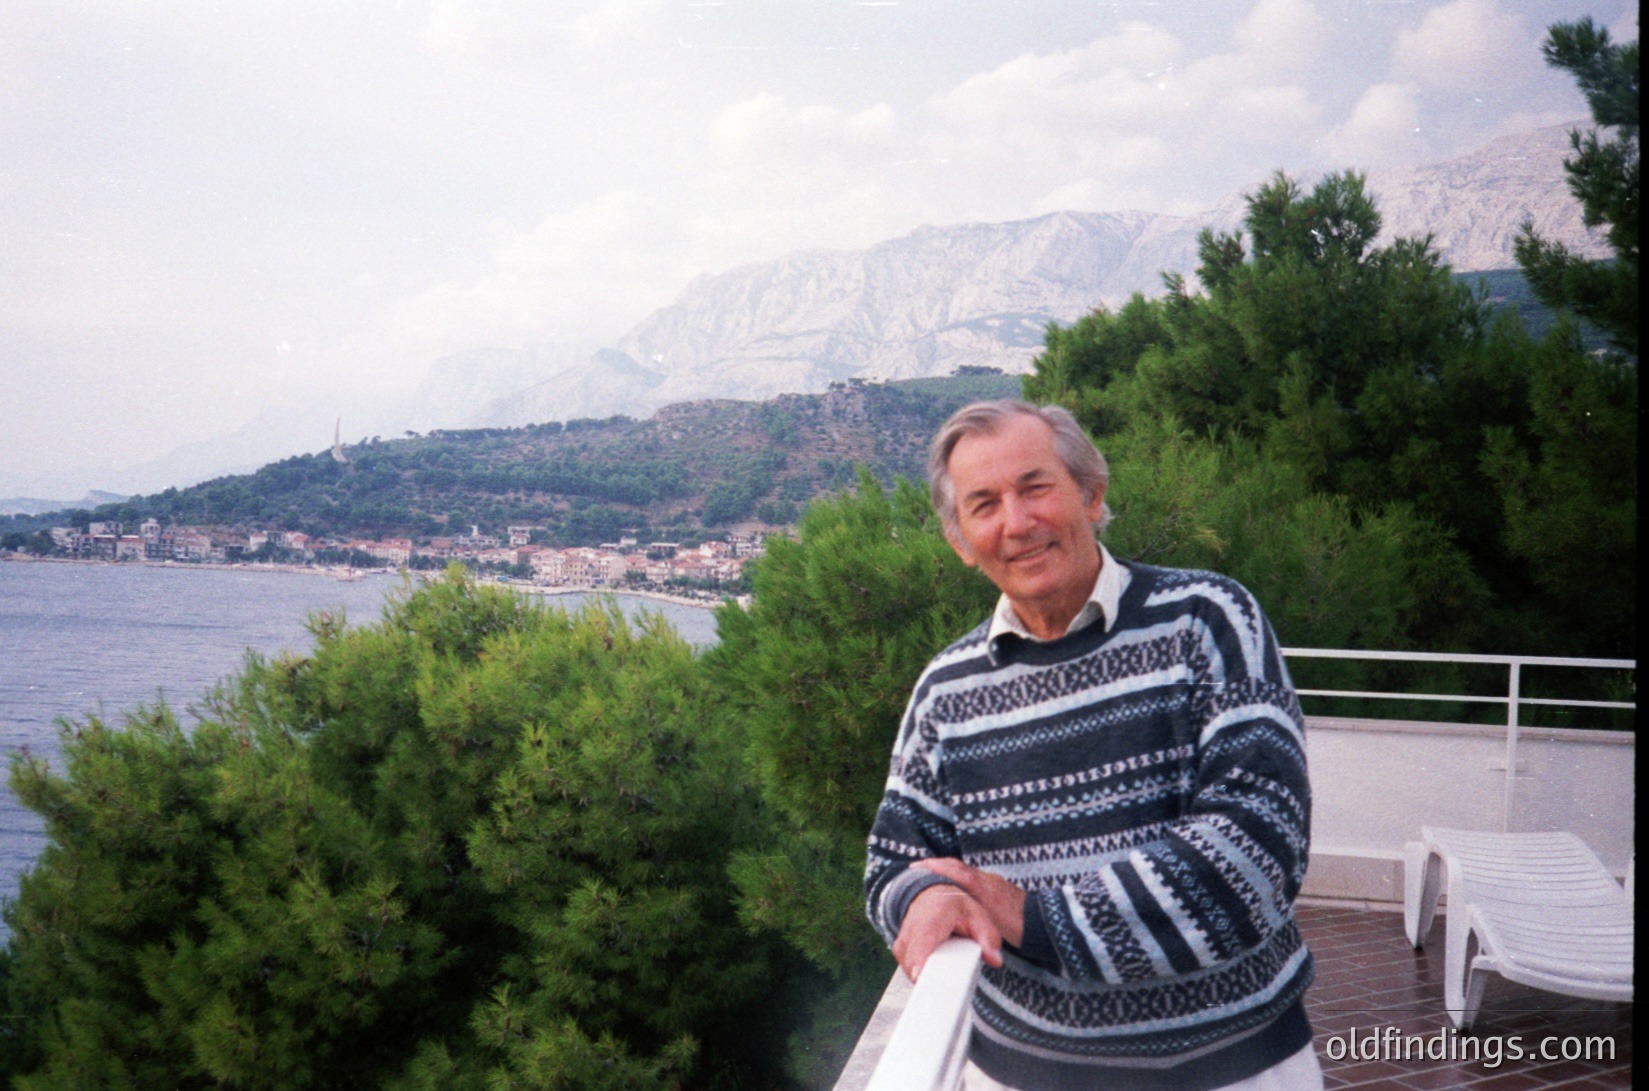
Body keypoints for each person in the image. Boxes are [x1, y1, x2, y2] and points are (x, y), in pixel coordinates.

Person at [864, 400, 1321, 1091]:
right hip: (1021, 1075)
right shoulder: (943, 690)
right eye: (983, 504)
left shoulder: (1206, 620)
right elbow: (891, 861)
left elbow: (1256, 846)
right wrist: (926, 895)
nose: (1015, 522)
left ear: (1091, 493)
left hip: (1236, 1068)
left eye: (1035, 486)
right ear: (961, 540)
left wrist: (1028, 913)